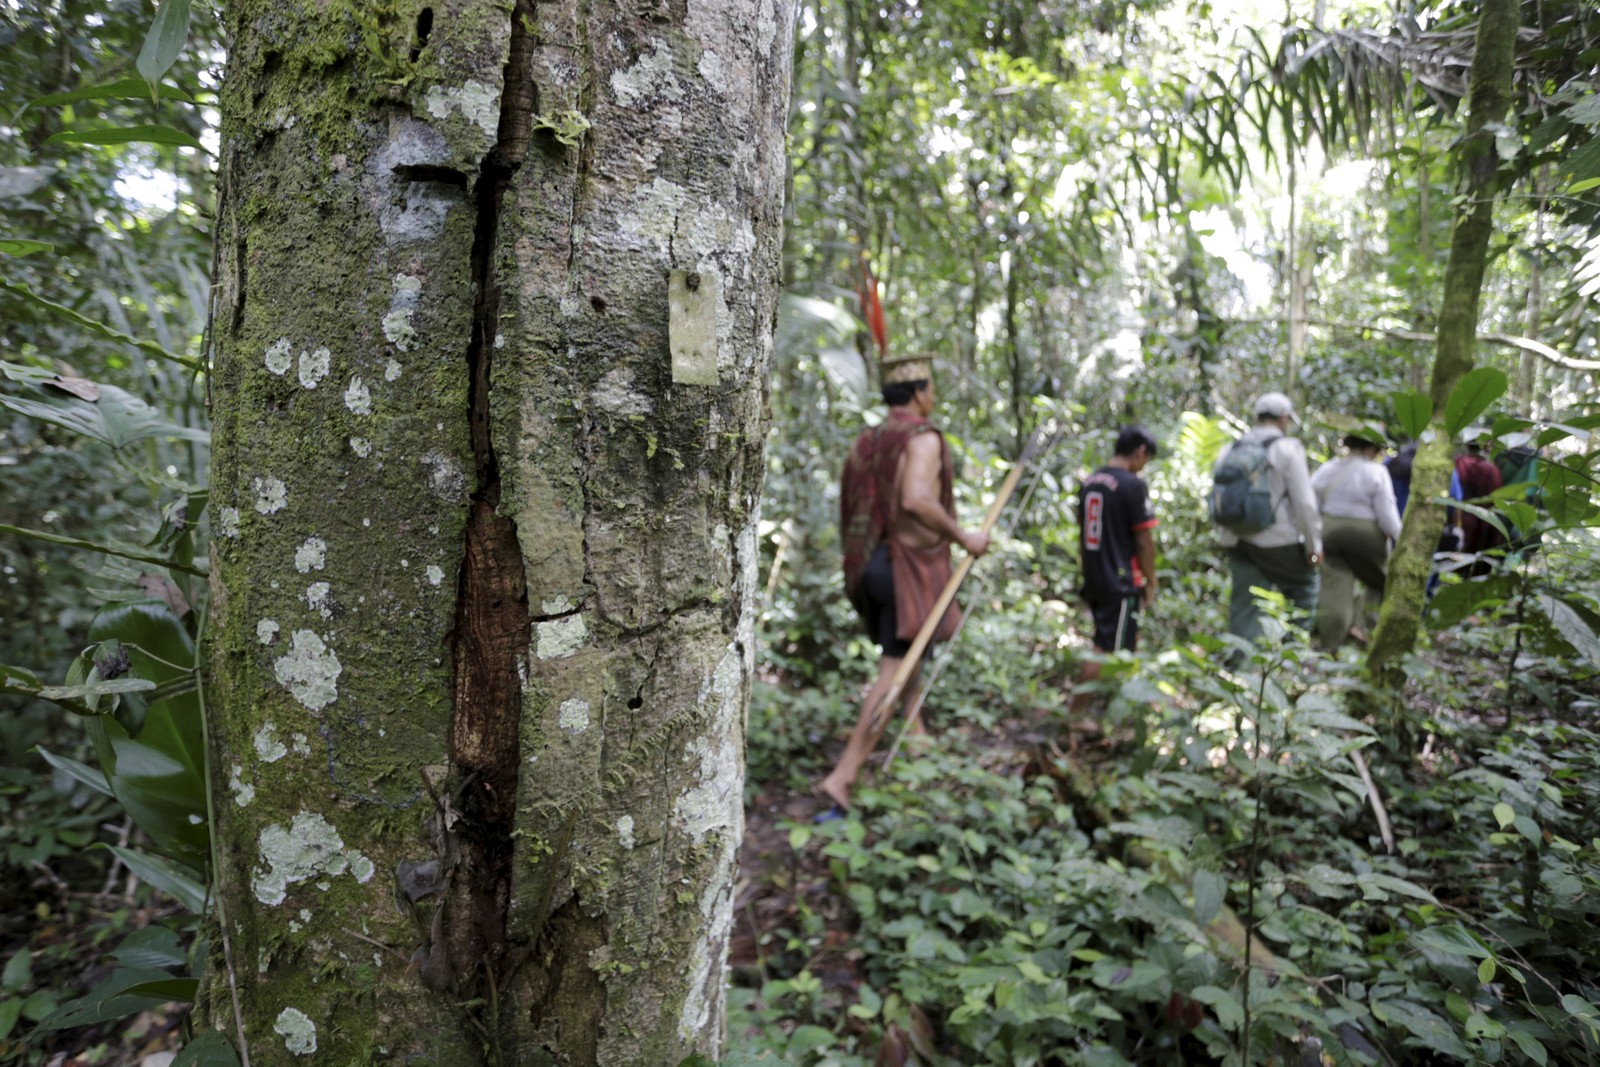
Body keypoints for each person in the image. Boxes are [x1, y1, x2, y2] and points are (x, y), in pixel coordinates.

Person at [820, 353, 989, 812]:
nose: (933, 397)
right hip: (901, 569)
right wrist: (964, 537)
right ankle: (844, 775)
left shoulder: (868, 439)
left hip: (870, 567)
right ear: (918, 393)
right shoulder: (922, 437)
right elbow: (914, 498)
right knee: (892, 673)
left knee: (906, 652)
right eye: (930, 388)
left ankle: (916, 739)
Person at [1213, 392, 1322, 644]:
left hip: (1236, 539)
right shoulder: (1287, 449)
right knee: (1305, 589)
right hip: (1277, 541)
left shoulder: (1230, 447)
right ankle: (1289, 658)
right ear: (1284, 419)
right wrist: (1313, 547)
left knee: (1244, 602)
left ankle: (1239, 665)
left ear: (1256, 417)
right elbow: (1304, 503)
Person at [1069, 426, 1159, 721]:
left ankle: (1124, 709)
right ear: (1140, 452)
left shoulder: (1091, 481)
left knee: (1122, 641)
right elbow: (1144, 540)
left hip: (1096, 575)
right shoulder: (1132, 484)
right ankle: (1076, 715)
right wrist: (1150, 581)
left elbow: (1083, 532)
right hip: (1120, 579)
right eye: (1146, 459)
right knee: (1105, 647)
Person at [1312, 430, 1403, 649]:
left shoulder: (1328, 468)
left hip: (1331, 531)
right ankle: (1361, 629)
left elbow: (1310, 500)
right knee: (1381, 581)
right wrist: (1401, 540)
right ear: (1371, 449)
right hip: (1366, 534)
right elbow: (1387, 518)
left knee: (1335, 586)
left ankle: (1330, 643)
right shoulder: (1376, 471)